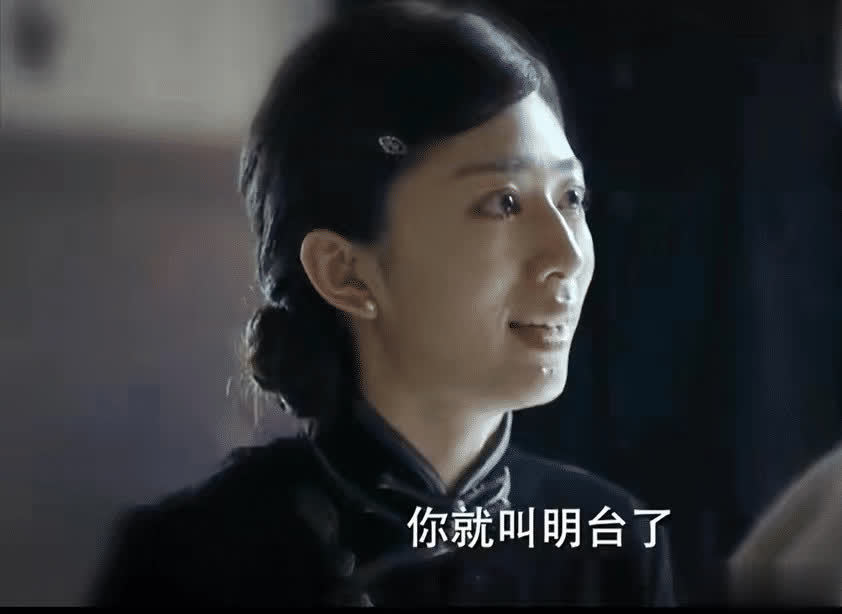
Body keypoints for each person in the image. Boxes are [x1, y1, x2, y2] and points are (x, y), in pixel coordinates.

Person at [87, 0, 842, 606]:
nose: (568, 255)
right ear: (345, 272)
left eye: (572, 197)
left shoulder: (612, 544)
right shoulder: (188, 560)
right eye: (502, 202)